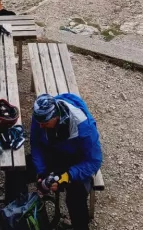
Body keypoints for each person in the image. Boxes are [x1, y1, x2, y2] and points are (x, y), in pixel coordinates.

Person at [29, 93, 103, 230]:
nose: (40, 126)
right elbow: (36, 144)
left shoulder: (84, 128)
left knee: (75, 197)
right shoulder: (41, 115)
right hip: (54, 151)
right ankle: (15, 216)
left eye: (45, 124)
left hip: (77, 160)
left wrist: (67, 176)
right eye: (38, 122)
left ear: (56, 116)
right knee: (19, 171)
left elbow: (94, 161)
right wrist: (41, 172)